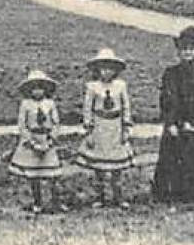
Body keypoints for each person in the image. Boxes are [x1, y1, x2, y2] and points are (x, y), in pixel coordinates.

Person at [152, 26, 194, 204]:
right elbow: (167, 100)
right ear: (178, 51)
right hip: (175, 123)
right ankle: (170, 192)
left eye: (191, 49)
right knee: (171, 154)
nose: (187, 53)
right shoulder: (171, 73)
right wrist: (171, 123)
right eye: (184, 49)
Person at [76, 48, 135, 207]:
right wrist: (88, 131)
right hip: (100, 127)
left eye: (110, 68)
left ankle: (118, 196)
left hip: (115, 127)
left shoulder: (121, 86)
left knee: (117, 168)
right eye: (103, 68)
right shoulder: (92, 87)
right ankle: (100, 197)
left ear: (116, 70)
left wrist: (126, 128)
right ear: (97, 70)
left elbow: (126, 107)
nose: (106, 72)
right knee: (99, 167)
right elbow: (87, 109)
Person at [7, 69, 64, 214]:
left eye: (41, 88)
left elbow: (56, 123)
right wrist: (30, 142)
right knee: (34, 176)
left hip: (47, 140)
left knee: (53, 176)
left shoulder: (50, 104)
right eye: (34, 88)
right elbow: (22, 125)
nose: (38, 91)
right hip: (32, 141)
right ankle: (37, 202)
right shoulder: (26, 104)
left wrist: (51, 139)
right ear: (29, 90)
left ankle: (56, 201)